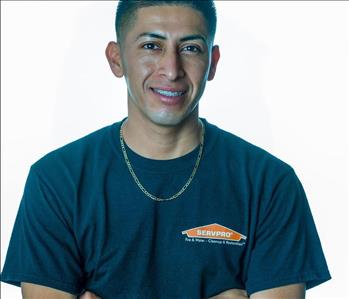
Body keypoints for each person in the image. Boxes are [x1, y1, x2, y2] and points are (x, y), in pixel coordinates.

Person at [1, 1, 331, 298]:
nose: (171, 70)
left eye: (190, 48)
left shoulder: (270, 184)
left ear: (213, 63)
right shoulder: (57, 181)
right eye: (151, 45)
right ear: (116, 59)